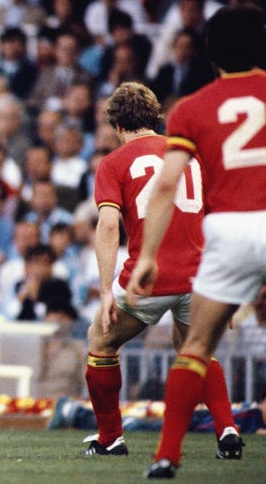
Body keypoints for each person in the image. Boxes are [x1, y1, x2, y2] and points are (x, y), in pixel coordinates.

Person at [125, 5, 266, 479]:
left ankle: (167, 455)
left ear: (210, 55)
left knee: (196, 346)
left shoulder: (191, 108)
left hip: (228, 231)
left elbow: (166, 186)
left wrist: (146, 255)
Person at [83, 81, 240, 459]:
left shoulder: (115, 162)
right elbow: (216, 216)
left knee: (100, 341)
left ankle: (110, 438)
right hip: (198, 276)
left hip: (149, 277)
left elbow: (107, 226)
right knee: (194, 348)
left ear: (117, 125)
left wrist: (106, 292)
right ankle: (228, 430)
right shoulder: (191, 156)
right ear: (155, 117)